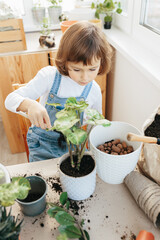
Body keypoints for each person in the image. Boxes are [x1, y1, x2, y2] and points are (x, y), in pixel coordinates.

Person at [5, 21, 113, 162]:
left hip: (75, 149)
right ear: (65, 61)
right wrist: (30, 105)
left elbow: (95, 124)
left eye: (92, 69)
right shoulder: (49, 77)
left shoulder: (94, 90)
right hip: (42, 147)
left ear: (102, 63)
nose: (85, 77)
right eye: (76, 69)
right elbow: (10, 99)